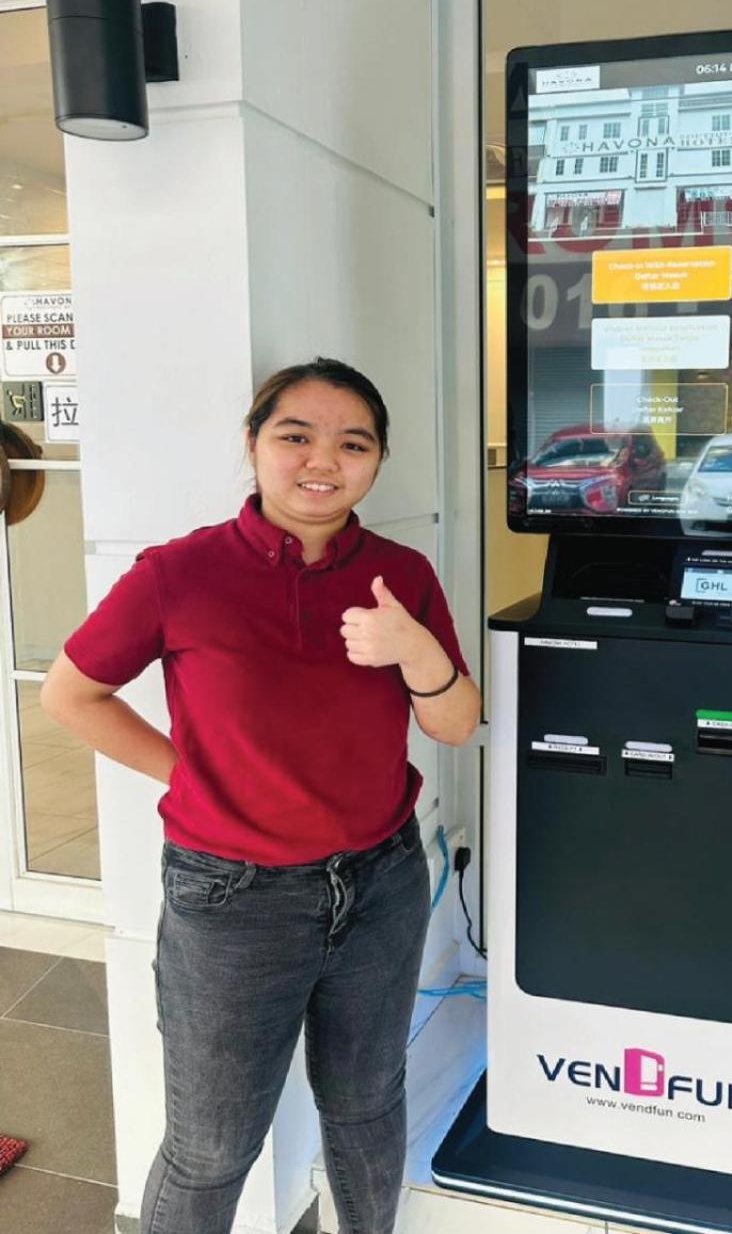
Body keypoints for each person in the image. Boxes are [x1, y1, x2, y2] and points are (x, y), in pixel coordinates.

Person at [41, 357, 481, 1234]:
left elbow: (456, 723)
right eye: (295, 436)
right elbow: (71, 695)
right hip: (231, 898)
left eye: (352, 443)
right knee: (211, 1148)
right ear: (252, 443)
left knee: (366, 1105)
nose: (323, 461)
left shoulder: (400, 575)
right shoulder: (180, 573)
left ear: (377, 459)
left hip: (381, 881)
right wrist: (191, 776)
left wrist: (415, 650)